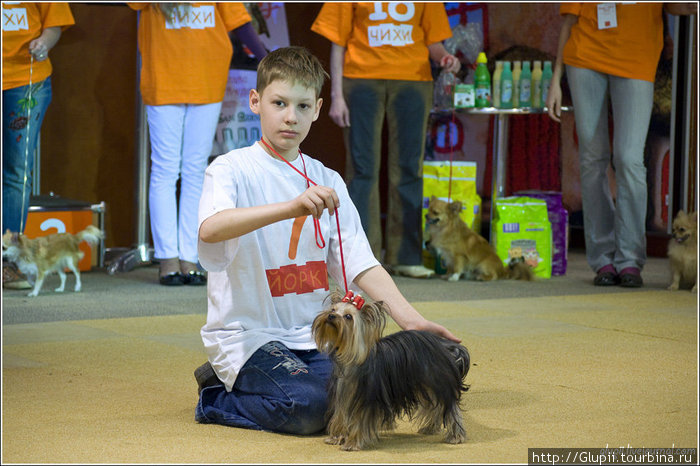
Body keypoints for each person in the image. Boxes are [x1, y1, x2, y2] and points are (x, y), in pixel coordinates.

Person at [193, 46, 460, 435]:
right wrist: (290, 208)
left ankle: (267, 385)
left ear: (318, 109)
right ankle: (217, 391)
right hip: (249, 338)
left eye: (303, 106)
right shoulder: (230, 168)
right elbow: (210, 229)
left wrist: (413, 321)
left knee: (361, 390)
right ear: (256, 102)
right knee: (310, 408)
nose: (290, 117)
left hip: (315, 335)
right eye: (279, 103)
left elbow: (360, 263)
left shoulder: (328, 178)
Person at [546, 2, 697, 288]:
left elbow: (677, 6)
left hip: (636, 58)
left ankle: (629, 258)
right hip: (585, 57)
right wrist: (555, 78)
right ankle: (602, 256)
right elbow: (568, 21)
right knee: (592, 158)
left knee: (629, 158)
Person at [311, 3, 460, 278]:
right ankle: (360, 257)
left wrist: (445, 58)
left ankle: (405, 255)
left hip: (413, 79)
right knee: (362, 168)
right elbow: (337, 42)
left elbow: (434, 43)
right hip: (360, 78)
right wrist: (337, 95)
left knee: (408, 167)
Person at [128, 3, 267, 286]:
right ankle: (168, 258)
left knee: (195, 171)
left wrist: (267, 59)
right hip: (163, 81)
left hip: (208, 80)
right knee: (165, 171)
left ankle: (190, 256)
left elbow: (238, 22)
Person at [2, 2, 74, 289]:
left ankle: (9, 261)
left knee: (17, 171)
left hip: (25, 79)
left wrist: (44, 42)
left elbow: (54, 25)